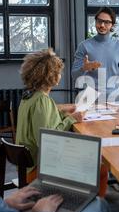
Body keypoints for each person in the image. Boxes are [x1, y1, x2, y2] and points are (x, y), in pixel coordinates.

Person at [16, 48, 84, 183]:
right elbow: (48, 139)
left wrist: (62, 113)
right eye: (58, 72)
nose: (60, 74)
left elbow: (44, 121)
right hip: (38, 169)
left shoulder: (29, 97)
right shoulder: (42, 100)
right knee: (99, 169)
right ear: (50, 75)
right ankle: (87, 203)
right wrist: (71, 119)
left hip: (25, 166)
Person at [72, 7, 119, 97]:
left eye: (107, 22)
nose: (102, 25)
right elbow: (74, 75)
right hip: (90, 98)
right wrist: (84, 68)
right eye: (99, 21)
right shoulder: (84, 46)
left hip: (114, 97)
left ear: (112, 25)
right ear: (96, 22)